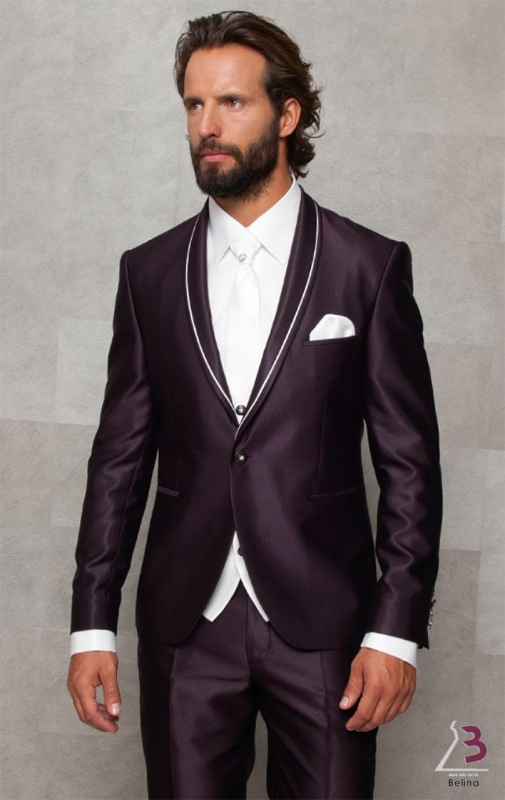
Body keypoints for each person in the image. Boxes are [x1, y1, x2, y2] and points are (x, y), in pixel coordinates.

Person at [67, 10, 442, 800]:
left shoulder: (366, 266)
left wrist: (395, 630)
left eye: (232, 102)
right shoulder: (148, 273)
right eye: (194, 105)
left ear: (288, 114)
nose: (207, 125)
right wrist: (91, 623)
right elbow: (118, 463)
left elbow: (408, 465)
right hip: (184, 625)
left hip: (327, 627)